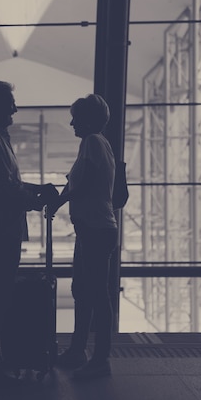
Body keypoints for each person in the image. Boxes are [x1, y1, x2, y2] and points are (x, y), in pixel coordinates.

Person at [0, 80, 58, 388]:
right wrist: (36, 199)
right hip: (2, 225)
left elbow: (6, 184)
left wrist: (35, 192)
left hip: (1, 223)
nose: (15, 108)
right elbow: (5, 187)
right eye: (10, 102)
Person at [49, 93, 118, 380]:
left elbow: (84, 183)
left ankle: (100, 359)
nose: (71, 122)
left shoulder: (91, 142)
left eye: (75, 116)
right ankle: (80, 350)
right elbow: (80, 183)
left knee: (95, 293)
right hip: (93, 228)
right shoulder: (99, 144)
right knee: (85, 290)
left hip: (96, 229)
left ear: (88, 119)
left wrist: (56, 203)